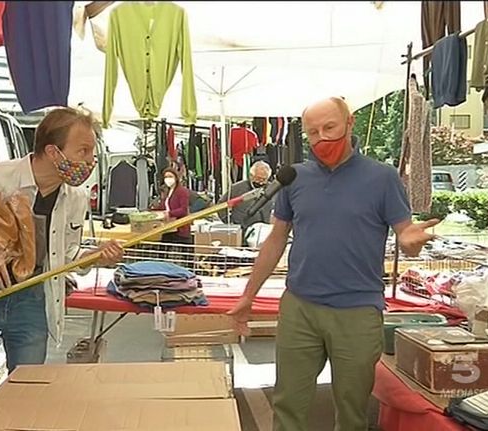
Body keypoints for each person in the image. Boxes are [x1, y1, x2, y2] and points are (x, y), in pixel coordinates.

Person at [227, 97, 439, 431]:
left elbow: (406, 234)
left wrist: (410, 240)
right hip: (299, 307)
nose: (322, 138)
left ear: (349, 122)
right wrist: (248, 295)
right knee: (288, 402)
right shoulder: (294, 178)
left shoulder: (382, 178)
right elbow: (276, 239)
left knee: (352, 409)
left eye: (330, 127)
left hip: (357, 311)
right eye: (313, 132)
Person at [0, 107, 124, 430]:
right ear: (53, 151)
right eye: (83, 151)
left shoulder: (75, 197)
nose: (90, 161)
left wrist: (95, 256)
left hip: (32, 302)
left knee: (24, 403)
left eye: (92, 152)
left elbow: (65, 256)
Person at [217, 160, 274, 236]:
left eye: (264, 179)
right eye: (258, 178)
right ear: (251, 176)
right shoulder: (236, 188)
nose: (261, 182)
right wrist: (229, 222)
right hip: (241, 230)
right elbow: (221, 205)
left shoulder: (272, 189)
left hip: (263, 232)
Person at [152, 168, 192, 245]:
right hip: (168, 227)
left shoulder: (182, 191)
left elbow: (183, 210)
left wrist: (169, 214)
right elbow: (164, 206)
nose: (168, 179)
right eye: (166, 177)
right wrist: (152, 211)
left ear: (176, 178)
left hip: (180, 229)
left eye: (170, 176)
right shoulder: (167, 192)